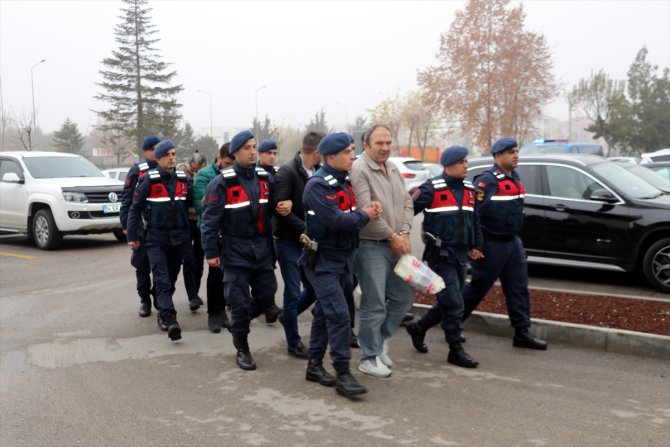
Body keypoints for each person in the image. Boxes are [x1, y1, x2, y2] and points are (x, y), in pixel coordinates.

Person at [300, 132, 381, 397]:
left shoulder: (343, 181)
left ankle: (314, 365)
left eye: (352, 151)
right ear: (331, 157)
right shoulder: (318, 186)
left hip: (344, 258)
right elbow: (335, 220)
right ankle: (343, 373)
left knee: (325, 313)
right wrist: (364, 216)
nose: (352, 156)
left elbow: (350, 214)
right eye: (347, 152)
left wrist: (367, 213)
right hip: (323, 260)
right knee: (340, 315)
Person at [200, 130, 279, 370]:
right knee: (240, 302)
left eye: (254, 146)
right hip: (235, 250)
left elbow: (276, 204)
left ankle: (238, 324)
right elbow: (209, 221)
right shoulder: (222, 182)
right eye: (247, 148)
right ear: (235, 153)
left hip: (262, 247)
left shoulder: (265, 178)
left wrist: (286, 205)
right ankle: (242, 346)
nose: (253, 151)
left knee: (268, 293)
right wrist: (211, 252)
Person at [461, 137, 547, 350]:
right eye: (510, 152)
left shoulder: (515, 177)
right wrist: (476, 245)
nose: (516, 155)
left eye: (517, 151)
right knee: (478, 289)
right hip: (492, 245)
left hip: (513, 243)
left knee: (518, 288)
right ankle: (451, 324)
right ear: (498, 156)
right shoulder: (487, 180)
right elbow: (474, 215)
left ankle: (521, 332)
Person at [406, 146, 483, 368]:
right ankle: (455, 349)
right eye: (462, 162)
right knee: (454, 302)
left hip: (461, 255)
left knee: (450, 300)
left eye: (467, 161)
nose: (466, 165)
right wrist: (399, 235)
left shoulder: (470, 189)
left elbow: (474, 220)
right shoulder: (431, 188)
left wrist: (477, 244)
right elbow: (406, 211)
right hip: (440, 255)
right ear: (448, 165)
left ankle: (418, 328)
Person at [350, 124, 415, 378]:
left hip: (398, 243)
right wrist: (391, 235)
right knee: (374, 303)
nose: (385, 147)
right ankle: (368, 357)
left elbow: (407, 202)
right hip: (371, 246)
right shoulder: (359, 169)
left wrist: (406, 231)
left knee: (404, 295)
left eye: (388, 142)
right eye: (379, 143)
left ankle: (380, 342)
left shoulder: (394, 168)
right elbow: (367, 211)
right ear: (366, 145)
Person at [127, 139, 194, 342]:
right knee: (162, 277)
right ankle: (169, 318)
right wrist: (132, 235)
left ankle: (161, 302)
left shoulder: (183, 179)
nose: (172, 158)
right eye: (167, 155)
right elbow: (134, 208)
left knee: (171, 278)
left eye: (174, 154)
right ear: (158, 158)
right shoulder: (148, 179)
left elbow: (194, 205)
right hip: (156, 238)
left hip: (180, 238)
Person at [273, 132, 323, 359]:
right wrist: (306, 227)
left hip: (308, 243)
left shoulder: (317, 172)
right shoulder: (287, 172)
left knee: (313, 288)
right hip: (289, 242)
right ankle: (293, 342)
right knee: (292, 293)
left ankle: (287, 316)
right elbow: (281, 211)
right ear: (317, 151)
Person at [193, 143, 234, 333]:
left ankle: (223, 312)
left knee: (227, 274)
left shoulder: (235, 175)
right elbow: (203, 205)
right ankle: (213, 313)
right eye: (226, 163)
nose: (229, 167)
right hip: (210, 231)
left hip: (229, 231)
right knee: (215, 272)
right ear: (219, 157)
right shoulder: (205, 175)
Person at [119, 134, 159, 318]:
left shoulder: (166, 168)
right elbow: (126, 201)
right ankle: (145, 300)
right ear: (146, 152)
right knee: (142, 267)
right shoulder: (137, 171)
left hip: (159, 228)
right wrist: (127, 227)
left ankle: (160, 297)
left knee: (162, 267)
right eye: (153, 149)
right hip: (141, 228)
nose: (157, 152)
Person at [256, 139, 282, 324]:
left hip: (272, 228)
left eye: (274, 153)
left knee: (268, 268)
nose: (272, 156)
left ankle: (269, 305)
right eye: (268, 153)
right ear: (260, 154)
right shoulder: (255, 174)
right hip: (257, 229)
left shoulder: (277, 174)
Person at [176, 157, 205, 313]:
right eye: (195, 169)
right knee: (189, 260)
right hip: (186, 222)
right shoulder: (182, 172)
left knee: (199, 260)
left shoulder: (204, 176)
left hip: (199, 223)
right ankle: (192, 296)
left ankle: (196, 293)